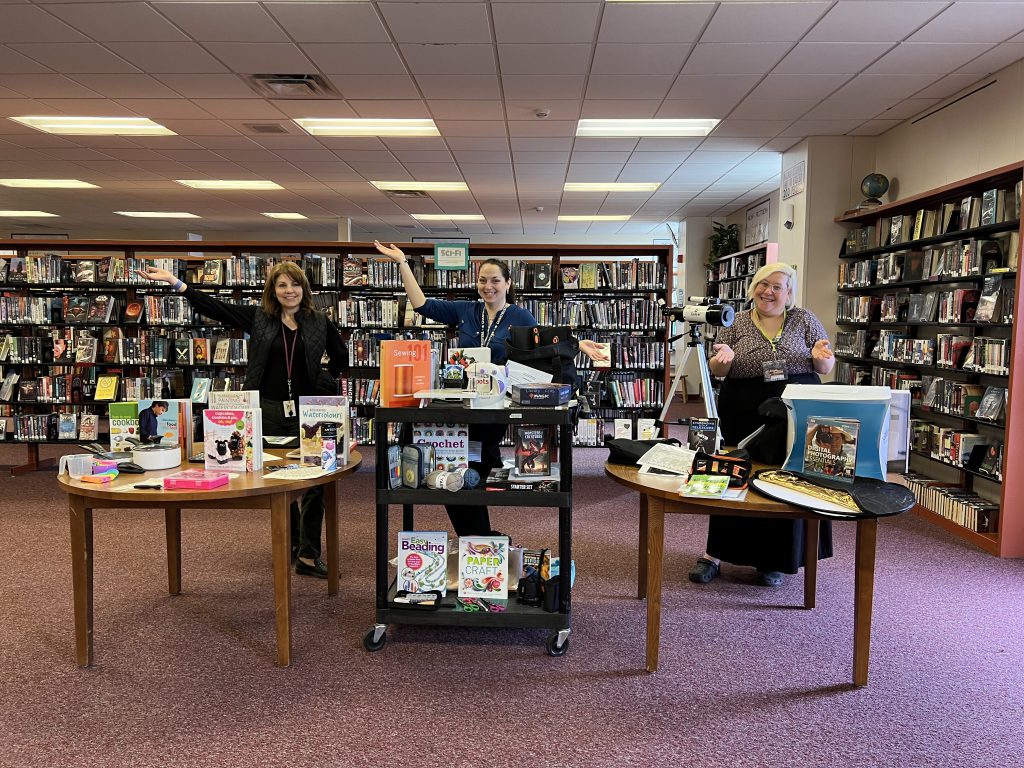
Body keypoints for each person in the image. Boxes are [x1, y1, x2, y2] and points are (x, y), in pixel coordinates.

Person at [373, 241, 608, 536]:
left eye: (496, 280)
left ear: (508, 283)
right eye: (483, 280)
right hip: (463, 405)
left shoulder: (520, 317)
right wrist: (403, 263)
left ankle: (479, 537)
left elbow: (544, 344)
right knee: (458, 468)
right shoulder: (466, 311)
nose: (489, 286)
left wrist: (577, 344)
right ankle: (479, 537)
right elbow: (422, 304)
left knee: (476, 466)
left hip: (496, 408)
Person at [137, 260, 348, 579]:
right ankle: (292, 541)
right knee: (278, 476)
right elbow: (215, 307)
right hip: (266, 407)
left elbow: (341, 357)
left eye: (294, 284)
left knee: (317, 478)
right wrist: (175, 282)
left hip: (309, 411)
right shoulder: (260, 318)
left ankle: (308, 552)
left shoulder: (318, 321)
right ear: (273, 291)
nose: (289, 290)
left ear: (304, 288)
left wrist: (322, 379)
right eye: (282, 285)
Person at [688, 262, 835, 587]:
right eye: (763, 284)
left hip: (794, 409)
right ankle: (714, 554)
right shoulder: (736, 320)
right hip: (743, 407)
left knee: (784, 479)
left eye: (777, 286)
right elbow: (718, 369)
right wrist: (720, 359)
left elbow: (824, 365)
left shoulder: (804, 319)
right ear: (753, 287)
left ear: (789, 292)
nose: (768, 291)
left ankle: (774, 560)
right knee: (732, 474)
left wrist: (823, 355)